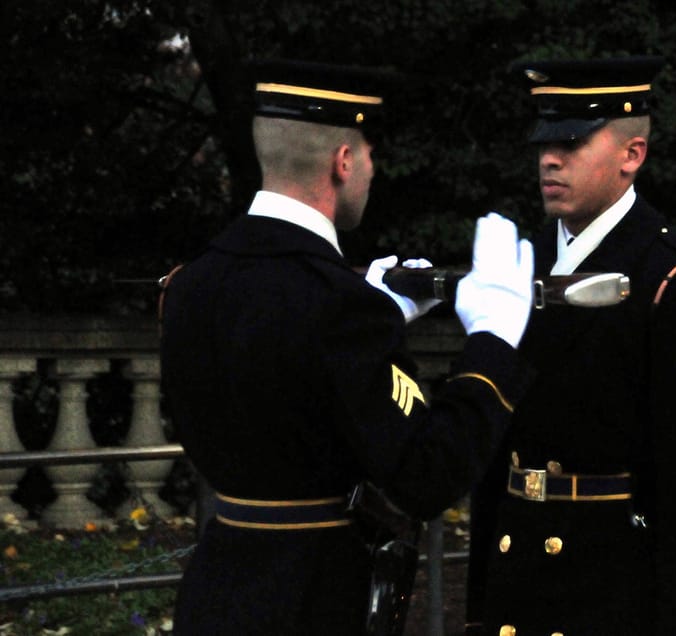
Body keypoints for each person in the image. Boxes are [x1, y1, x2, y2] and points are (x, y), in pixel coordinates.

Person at [160, 58, 535, 635]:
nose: (371, 170)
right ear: (342, 161)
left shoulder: (191, 284)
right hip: (311, 600)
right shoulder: (338, 306)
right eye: (368, 154)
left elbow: (281, 367)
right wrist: (492, 339)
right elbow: (426, 475)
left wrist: (378, 315)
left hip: (214, 589)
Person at [465, 56, 676, 635]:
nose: (550, 159)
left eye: (572, 143)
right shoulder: (518, 264)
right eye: (545, 143)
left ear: (633, 155)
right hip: (517, 582)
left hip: (615, 596)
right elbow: (496, 460)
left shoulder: (673, 280)